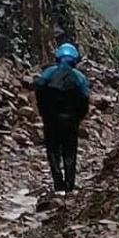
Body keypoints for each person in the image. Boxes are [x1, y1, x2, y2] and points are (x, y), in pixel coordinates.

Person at [35, 43, 90, 193]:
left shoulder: (48, 73)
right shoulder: (79, 77)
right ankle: (69, 185)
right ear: (74, 60)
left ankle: (58, 182)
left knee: (53, 150)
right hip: (71, 120)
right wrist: (78, 117)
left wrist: (44, 112)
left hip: (51, 119)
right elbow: (85, 99)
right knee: (70, 151)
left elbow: (38, 88)